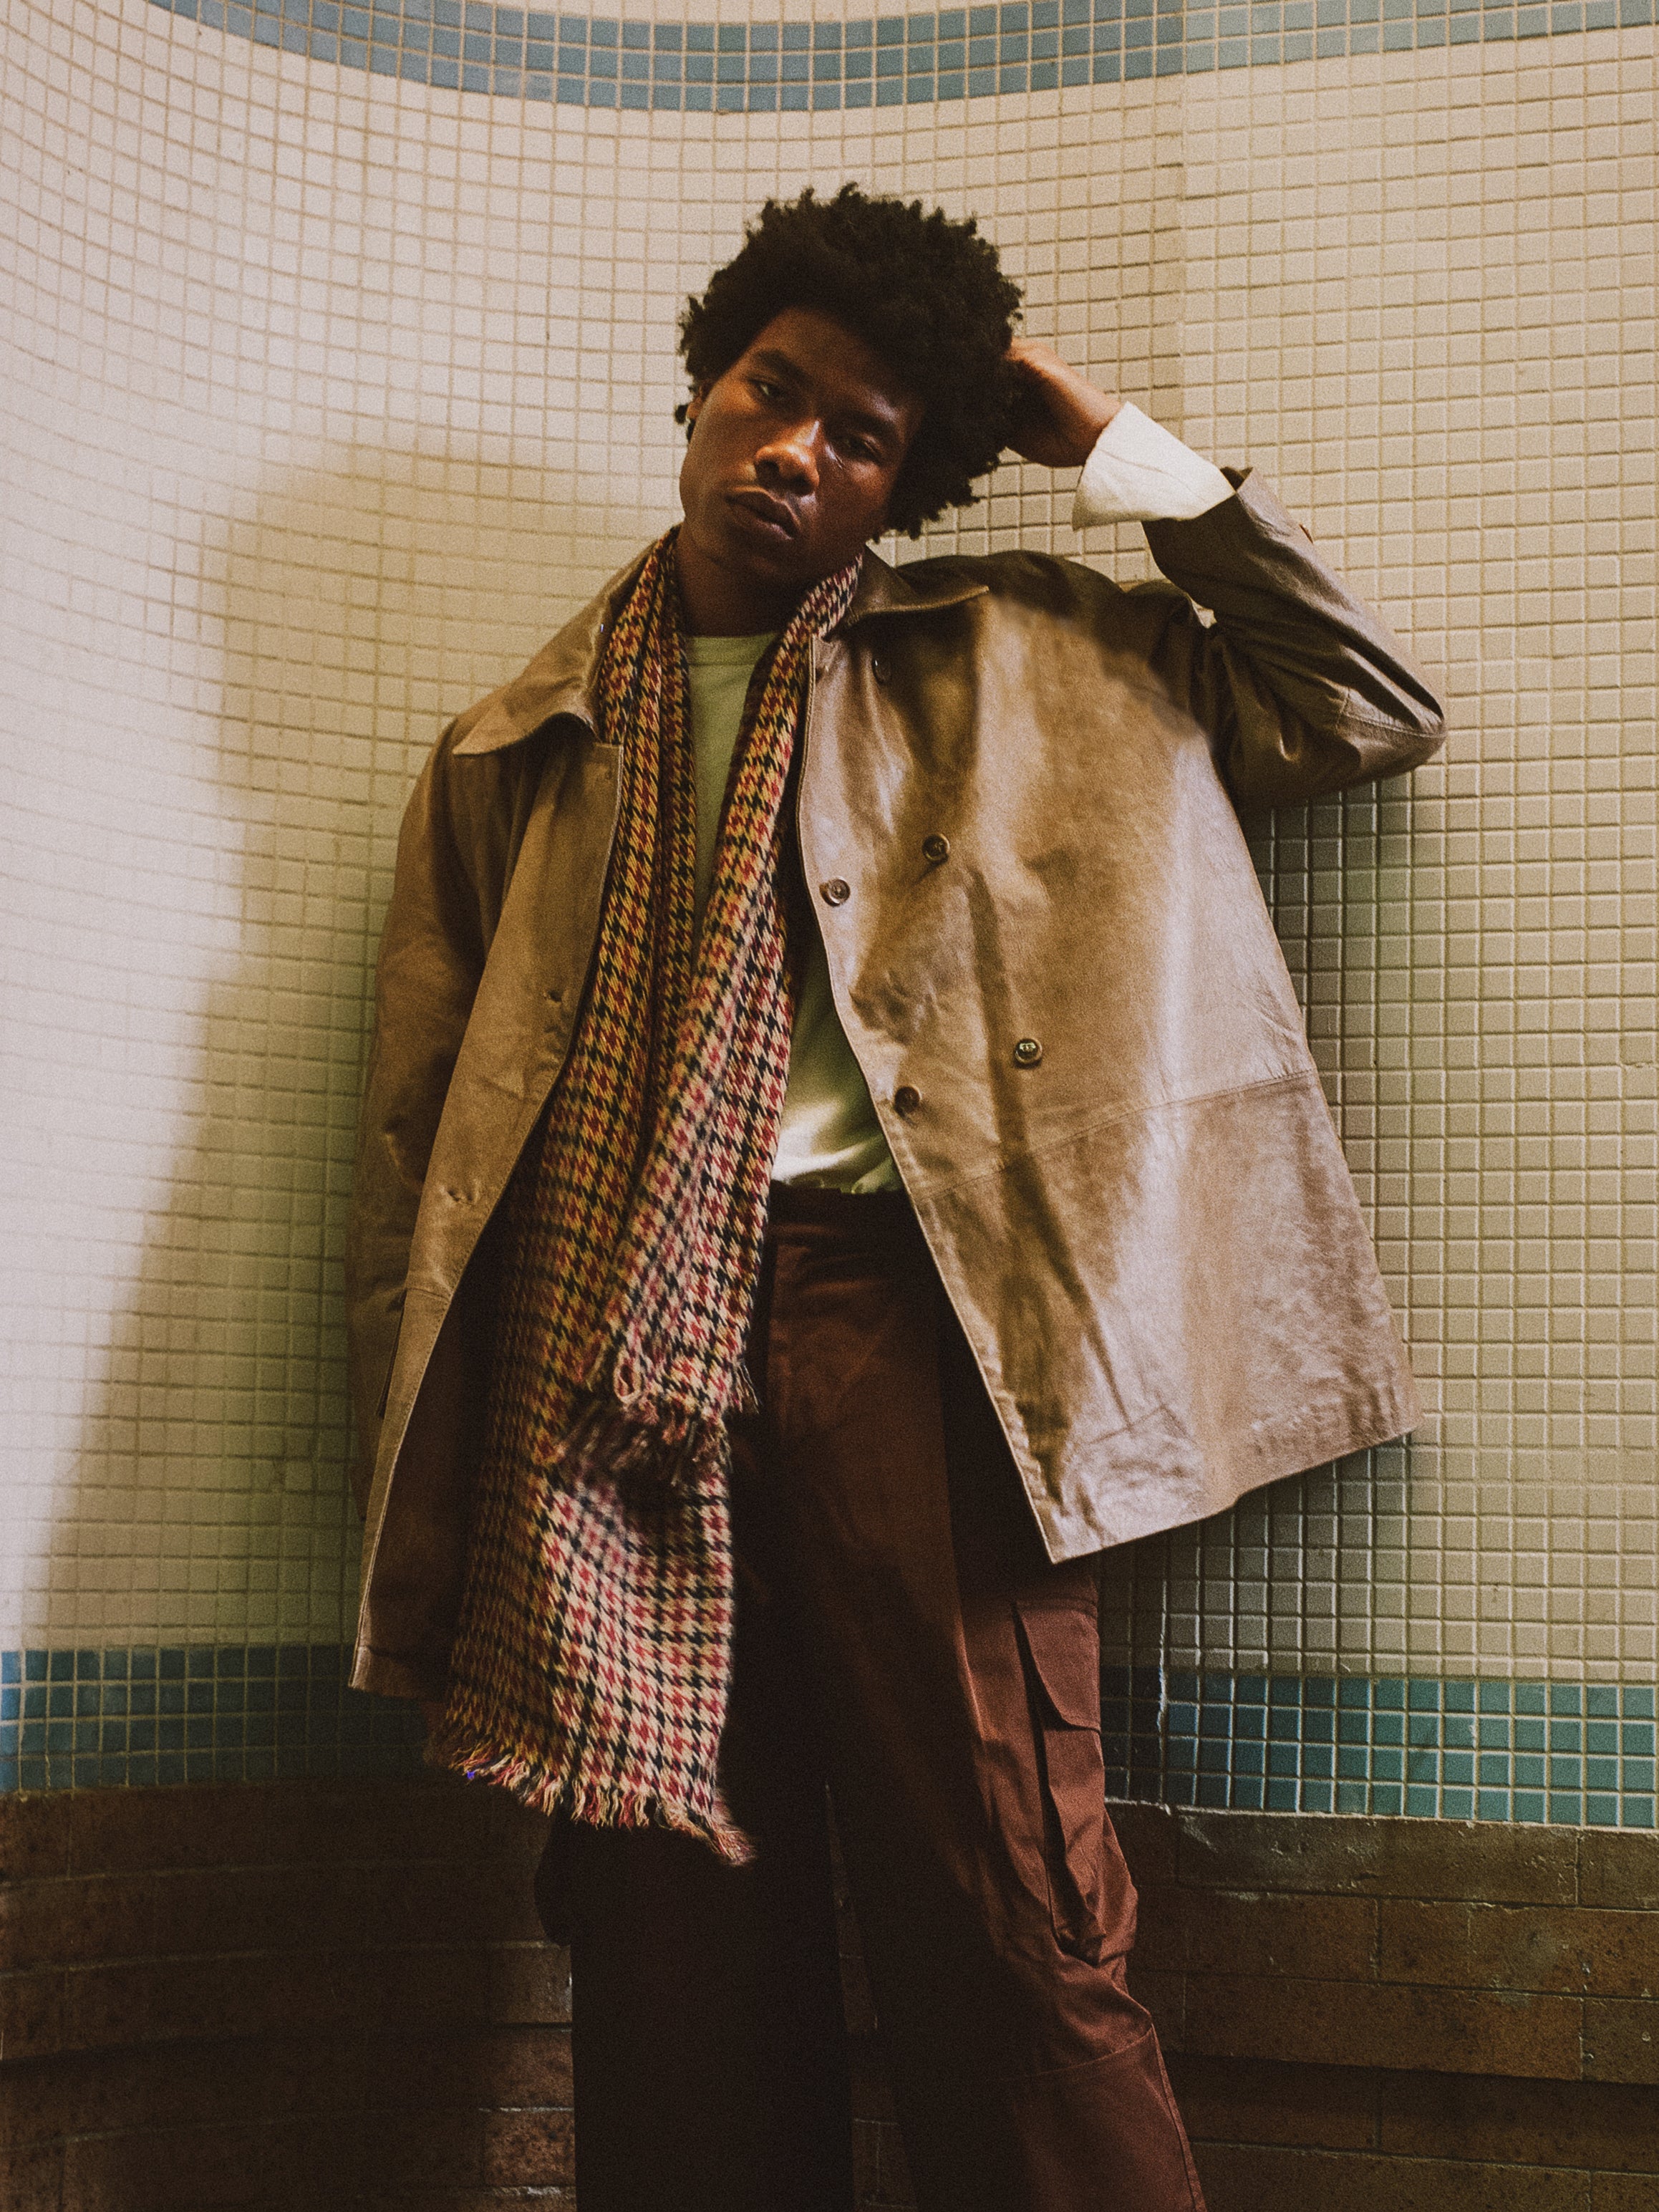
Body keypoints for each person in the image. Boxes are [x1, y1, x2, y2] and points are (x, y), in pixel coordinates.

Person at [344, 185, 1444, 2212]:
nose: (794, 451)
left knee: (1009, 1901)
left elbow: (1359, 702)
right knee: (667, 1940)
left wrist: (1099, 437)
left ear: (904, 489)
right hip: (605, 1366)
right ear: (702, 387)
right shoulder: (515, 746)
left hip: (921, 1325)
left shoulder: (1027, 652)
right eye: (772, 392)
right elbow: (428, 1158)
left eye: (861, 437)